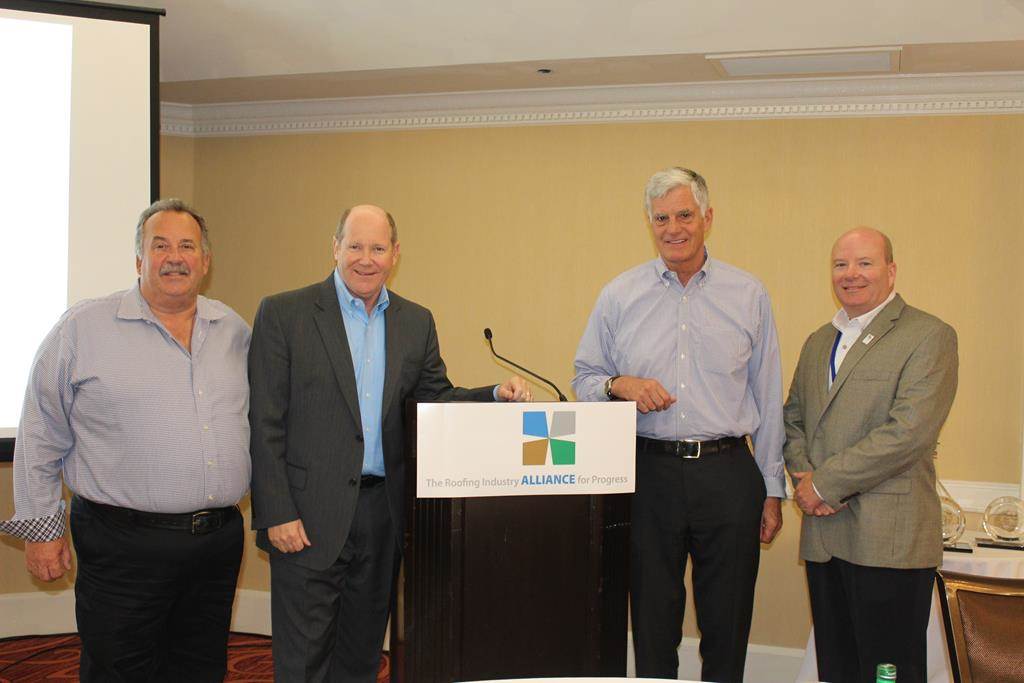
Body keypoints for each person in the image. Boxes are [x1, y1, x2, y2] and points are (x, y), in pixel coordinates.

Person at [248, 204, 530, 682]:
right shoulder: (284, 313)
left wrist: (494, 395)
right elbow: (265, 420)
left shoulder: (415, 321)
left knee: (361, 657)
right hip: (305, 517)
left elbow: (434, 399)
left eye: (378, 248)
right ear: (335, 248)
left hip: (382, 516)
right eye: (355, 246)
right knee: (303, 662)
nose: (366, 258)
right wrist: (276, 512)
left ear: (395, 254)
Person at [0, 199, 251, 682]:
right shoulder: (82, 329)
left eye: (187, 246)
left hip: (216, 545)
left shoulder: (233, 331)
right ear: (139, 259)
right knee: (119, 670)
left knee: (200, 669)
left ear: (205, 260)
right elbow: (40, 431)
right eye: (160, 246)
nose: (174, 258)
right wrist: (42, 531)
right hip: (121, 545)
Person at [572, 167, 785, 682]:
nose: (673, 228)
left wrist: (772, 490)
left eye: (684, 215)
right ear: (650, 223)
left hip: (728, 473)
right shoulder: (619, 294)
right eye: (661, 218)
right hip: (648, 474)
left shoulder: (749, 294)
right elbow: (584, 378)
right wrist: (620, 384)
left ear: (708, 217)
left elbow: (768, 395)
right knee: (651, 621)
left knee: (727, 622)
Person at [783, 227, 958, 683]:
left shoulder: (929, 335)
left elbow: (908, 433)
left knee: (889, 674)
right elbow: (794, 417)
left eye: (865, 263)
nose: (851, 274)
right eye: (841, 264)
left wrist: (825, 485)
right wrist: (805, 479)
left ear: (891, 271)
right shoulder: (819, 341)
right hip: (824, 539)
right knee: (837, 670)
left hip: (889, 542)